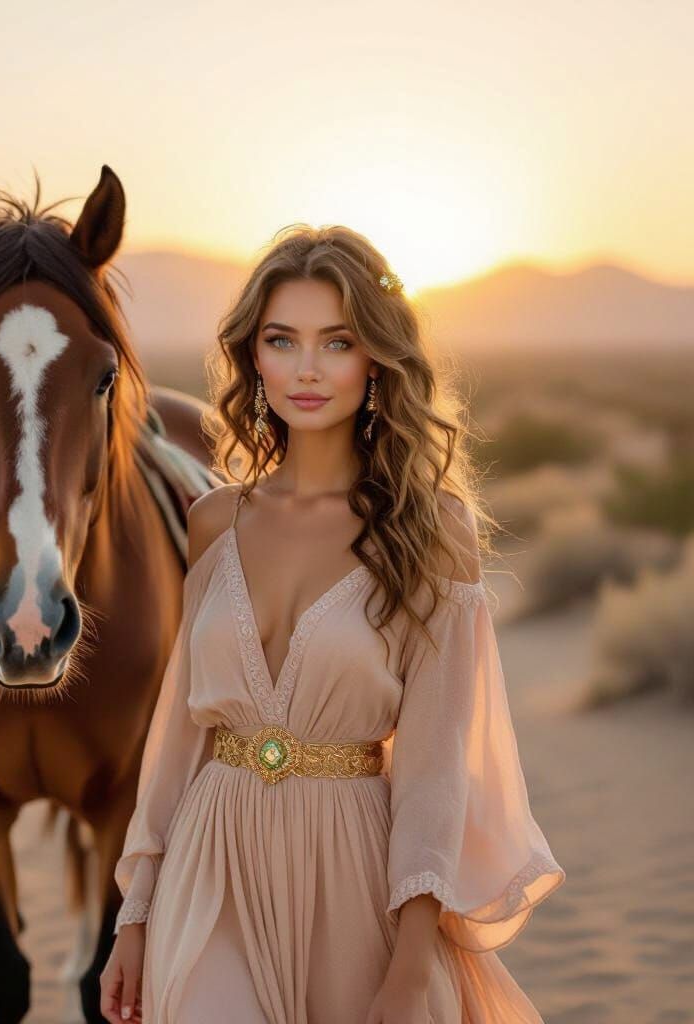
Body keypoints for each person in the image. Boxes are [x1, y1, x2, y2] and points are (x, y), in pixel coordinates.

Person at [99, 224, 565, 1023]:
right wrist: (134, 918)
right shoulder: (214, 521)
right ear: (254, 358)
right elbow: (180, 737)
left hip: (354, 871)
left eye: (337, 342)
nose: (307, 369)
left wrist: (413, 967)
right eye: (282, 340)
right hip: (212, 862)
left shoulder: (431, 530)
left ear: (376, 360)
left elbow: (435, 767)